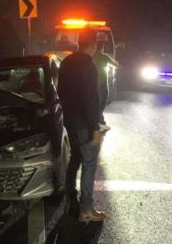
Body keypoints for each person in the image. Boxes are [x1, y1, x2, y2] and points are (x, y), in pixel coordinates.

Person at [57, 29, 106, 223]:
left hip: (70, 121)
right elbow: (90, 99)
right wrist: (96, 126)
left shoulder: (66, 63)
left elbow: (60, 91)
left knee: (74, 159)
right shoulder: (88, 66)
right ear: (93, 45)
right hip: (85, 124)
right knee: (89, 164)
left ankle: (71, 199)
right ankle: (86, 208)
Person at [92, 41, 120, 131]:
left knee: (96, 103)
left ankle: (97, 121)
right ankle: (101, 122)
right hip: (103, 84)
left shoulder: (91, 57)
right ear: (101, 48)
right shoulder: (104, 57)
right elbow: (116, 65)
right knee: (102, 103)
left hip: (92, 84)